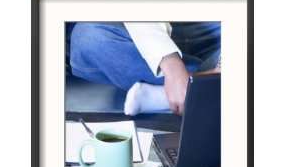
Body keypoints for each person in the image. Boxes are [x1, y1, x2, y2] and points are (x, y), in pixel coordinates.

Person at [69, 22, 221, 116]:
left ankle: (161, 97)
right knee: (88, 37)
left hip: (219, 29)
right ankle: (209, 87)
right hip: (147, 25)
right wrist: (171, 64)